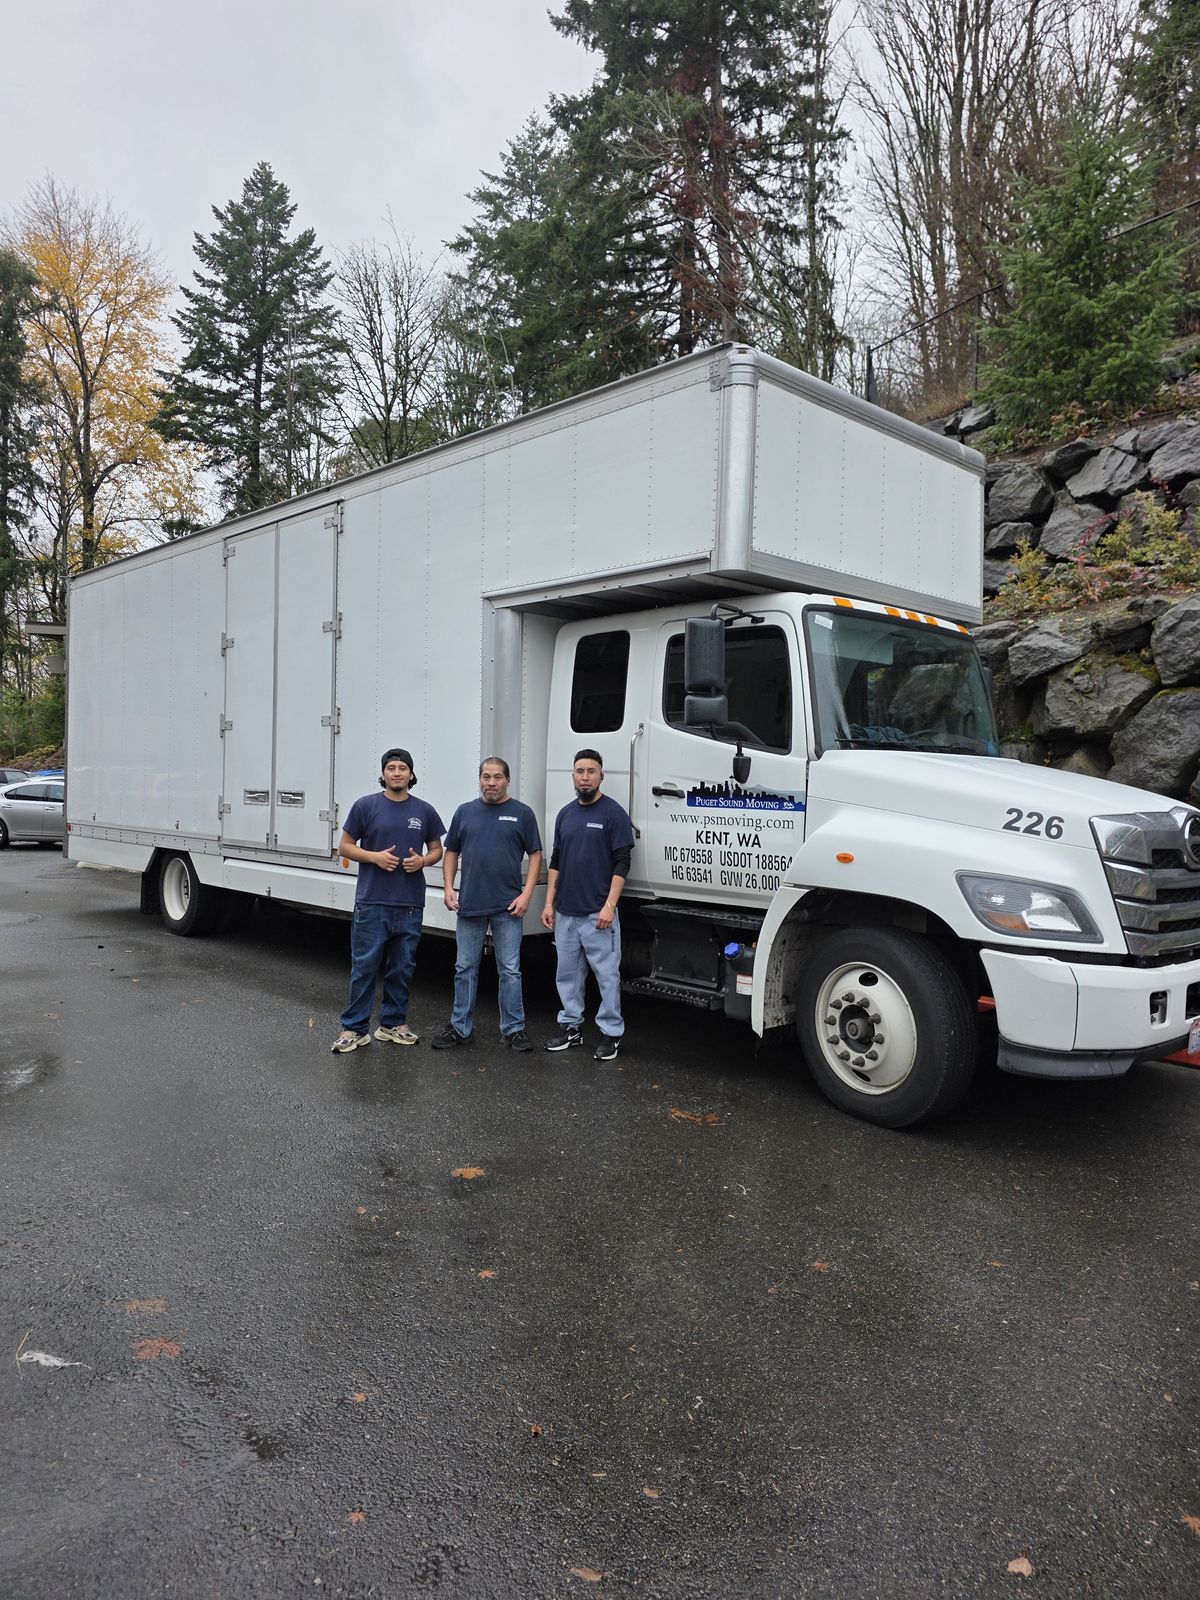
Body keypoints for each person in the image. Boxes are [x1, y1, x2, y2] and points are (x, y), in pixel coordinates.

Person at [331, 748, 445, 1054]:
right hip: (372, 902)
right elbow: (344, 846)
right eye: (391, 768)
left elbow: (437, 849)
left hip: (409, 905)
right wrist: (374, 858)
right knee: (364, 967)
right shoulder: (366, 807)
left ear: (411, 775)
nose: (397, 773)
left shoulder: (424, 811)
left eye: (402, 768)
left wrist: (422, 862)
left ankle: (392, 1024)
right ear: (383, 774)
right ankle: (354, 1029)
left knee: (402, 968)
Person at [432, 757, 543, 1053]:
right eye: (486, 777)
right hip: (470, 904)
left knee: (510, 969)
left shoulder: (522, 814)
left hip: (509, 907)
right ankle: (460, 1027)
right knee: (464, 967)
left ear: (507, 780)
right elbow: (451, 851)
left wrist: (527, 894)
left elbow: (535, 854)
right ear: (479, 779)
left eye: (497, 777)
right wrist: (447, 887)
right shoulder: (465, 812)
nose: (491, 782)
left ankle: (514, 1029)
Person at [540, 748, 635, 1061]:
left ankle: (611, 1033)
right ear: (573, 775)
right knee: (567, 975)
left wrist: (610, 906)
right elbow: (556, 861)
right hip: (566, 912)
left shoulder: (613, 814)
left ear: (601, 776)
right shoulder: (566, 814)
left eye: (591, 771)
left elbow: (623, 863)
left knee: (607, 976)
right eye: (579, 771)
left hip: (598, 913)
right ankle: (571, 1027)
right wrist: (549, 903)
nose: (585, 777)